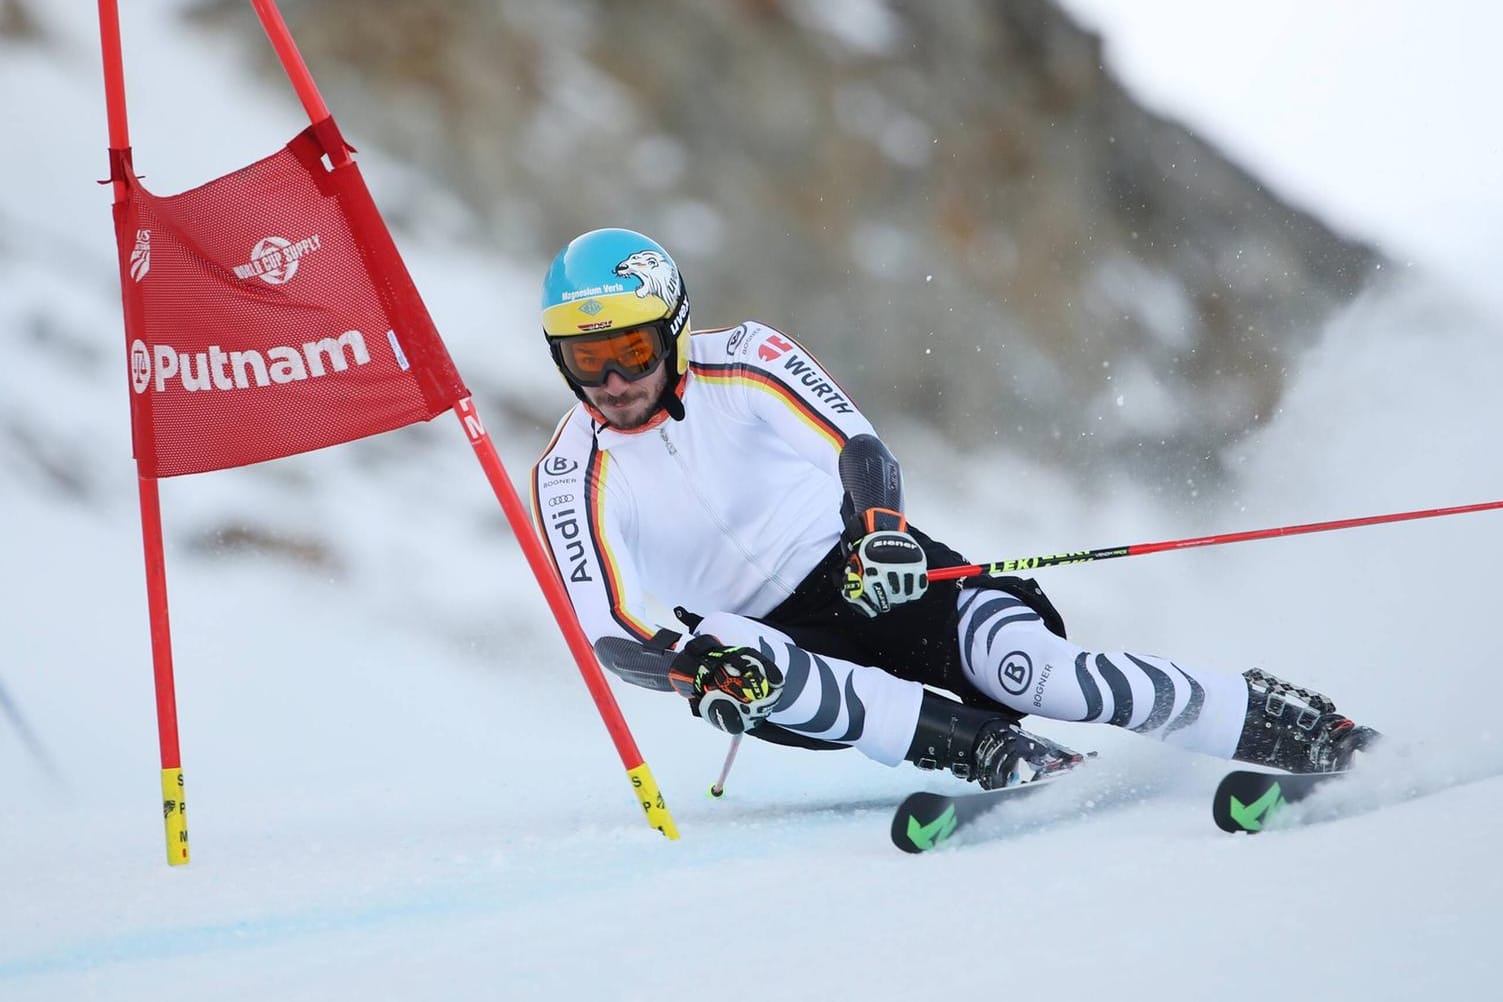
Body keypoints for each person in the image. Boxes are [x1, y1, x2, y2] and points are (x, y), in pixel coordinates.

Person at [530, 227, 1376, 789]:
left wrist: (881, 534)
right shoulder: (573, 470)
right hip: (787, 651)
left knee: (1048, 677)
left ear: (672, 328)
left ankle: (1290, 726)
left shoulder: (742, 359)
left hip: (872, 579)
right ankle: (989, 753)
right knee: (728, 650)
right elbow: (605, 625)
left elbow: (857, 448)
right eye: (585, 361)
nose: (612, 382)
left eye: (630, 351)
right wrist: (682, 669)